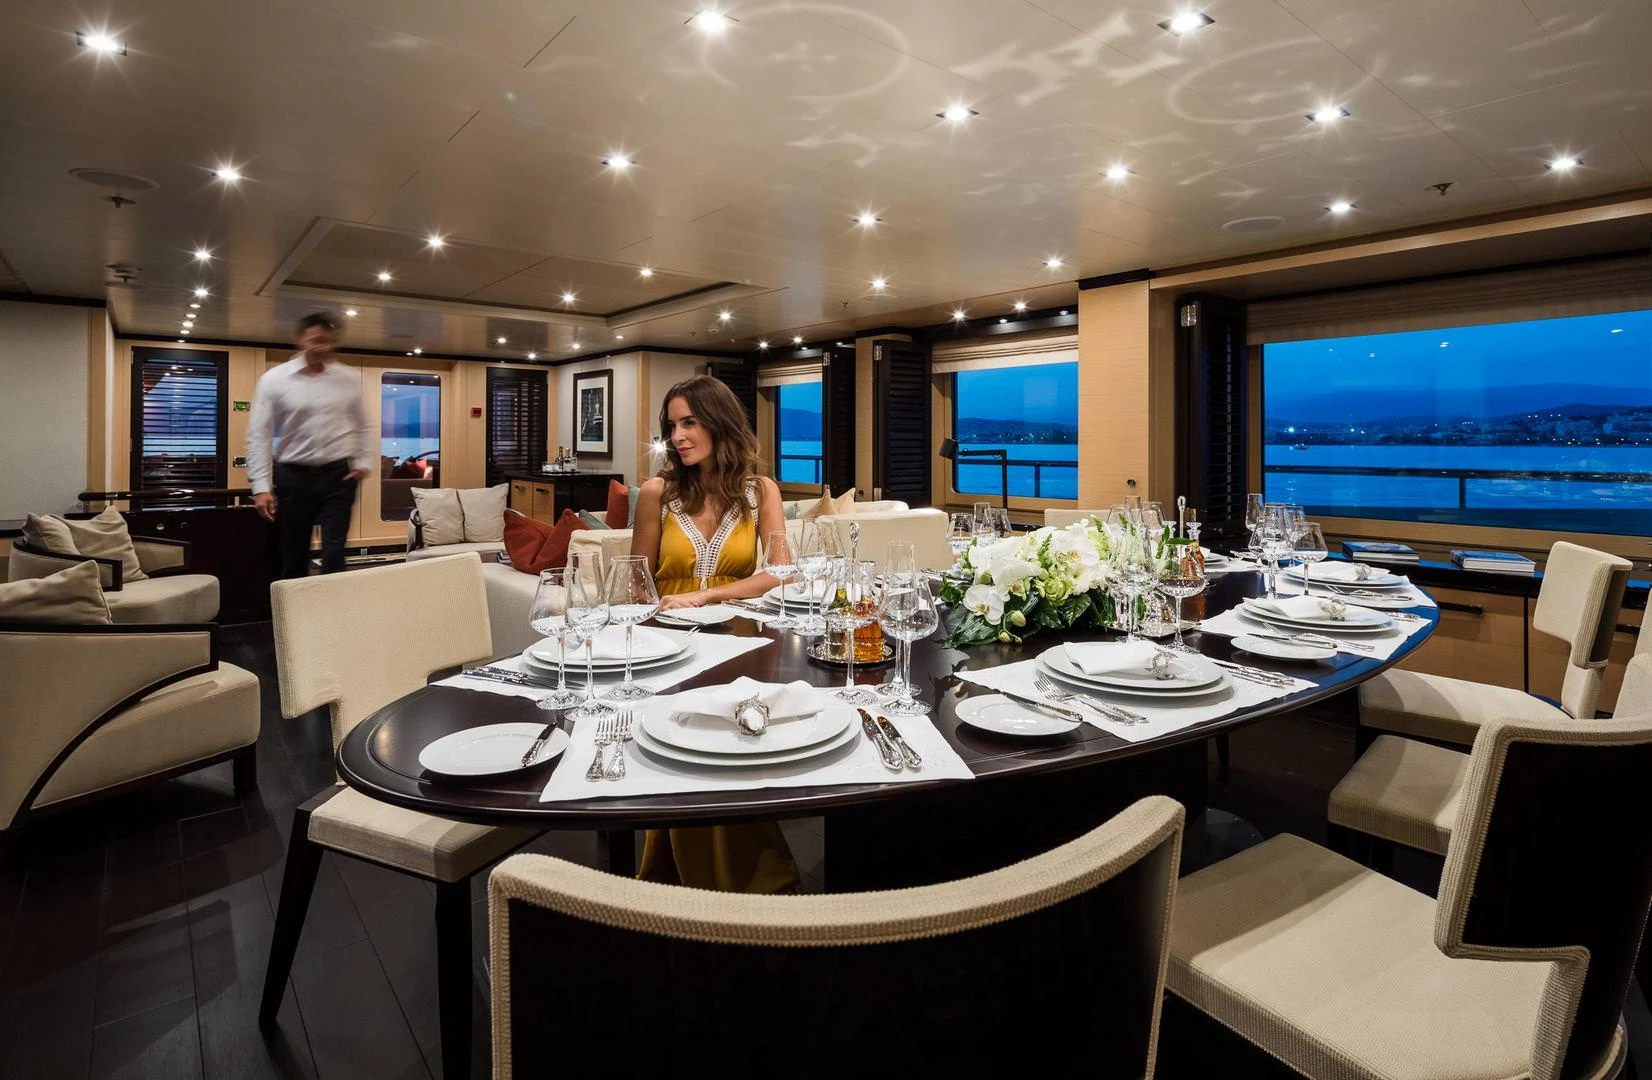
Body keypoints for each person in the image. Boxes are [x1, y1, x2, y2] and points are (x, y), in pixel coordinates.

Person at [630, 375, 797, 892]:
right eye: (671, 426)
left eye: (689, 423)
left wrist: (707, 595)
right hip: (668, 644)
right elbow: (636, 581)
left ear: (720, 424)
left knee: (733, 750)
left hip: (738, 639)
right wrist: (654, 623)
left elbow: (782, 571)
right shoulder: (657, 493)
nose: (677, 436)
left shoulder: (760, 491)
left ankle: (715, 884)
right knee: (686, 749)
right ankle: (733, 886)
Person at [246, 312, 373, 579]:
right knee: (293, 552)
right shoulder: (274, 379)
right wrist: (261, 486)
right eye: (316, 341)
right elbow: (259, 434)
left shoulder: (349, 378)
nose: (322, 348)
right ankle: (292, 604)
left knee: (335, 553)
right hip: (293, 476)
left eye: (328, 342)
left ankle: (332, 604)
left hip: (338, 477)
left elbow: (363, 425)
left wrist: (363, 462)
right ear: (301, 340)